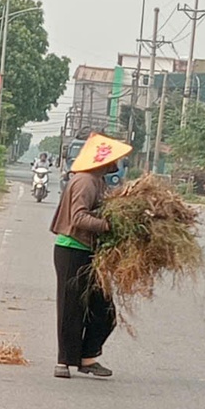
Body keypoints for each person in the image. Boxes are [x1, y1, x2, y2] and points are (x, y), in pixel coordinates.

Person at [50, 133, 133, 380]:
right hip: (72, 249)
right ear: (102, 161)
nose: (117, 164)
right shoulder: (85, 182)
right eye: (114, 159)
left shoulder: (98, 181)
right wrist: (107, 226)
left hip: (88, 251)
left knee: (103, 309)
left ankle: (87, 357)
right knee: (70, 307)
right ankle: (63, 361)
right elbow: (78, 217)